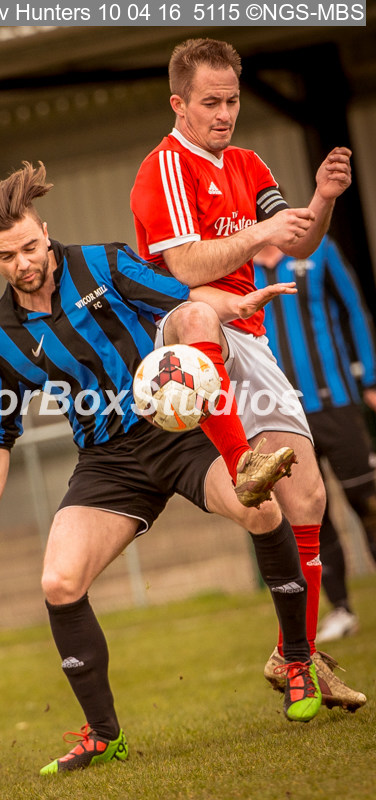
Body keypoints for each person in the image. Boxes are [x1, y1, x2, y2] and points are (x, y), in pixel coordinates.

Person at [0, 162, 323, 777]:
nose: (23, 263)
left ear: (44, 231)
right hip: (108, 463)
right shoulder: (2, 337)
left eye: (29, 247)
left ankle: (297, 661)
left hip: (179, 432)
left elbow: (181, 300)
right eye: (6, 256)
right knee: (59, 582)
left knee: (261, 508)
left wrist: (234, 305)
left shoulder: (102, 263)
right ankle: (105, 736)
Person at [131, 37, 366, 711]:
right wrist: (258, 237)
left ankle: (298, 658)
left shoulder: (250, 163)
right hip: (184, 332)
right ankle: (240, 462)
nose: (225, 113)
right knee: (199, 314)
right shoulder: (164, 167)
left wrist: (321, 200)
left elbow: (295, 241)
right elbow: (185, 268)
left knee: (309, 501)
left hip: (250, 333)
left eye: (232, 100)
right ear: (178, 104)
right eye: (211, 102)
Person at [255, 235, 376, 642]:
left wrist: (371, 378)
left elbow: (354, 310)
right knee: (310, 515)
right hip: (280, 415)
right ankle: (341, 608)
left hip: (336, 401)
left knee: (368, 501)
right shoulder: (239, 268)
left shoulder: (321, 249)